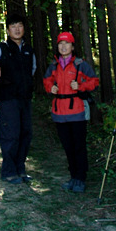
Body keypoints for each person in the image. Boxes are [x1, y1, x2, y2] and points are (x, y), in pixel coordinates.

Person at [0, 12, 36, 184]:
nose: (17, 29)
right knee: (11, 134)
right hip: (8, 99)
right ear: (7, 29)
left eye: (19, 25)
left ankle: (21, 168)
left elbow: (32, 69)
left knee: (25, 134)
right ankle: (9, 171)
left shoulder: (28, 49)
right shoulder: (1, 47)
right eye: (13, 26)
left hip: (25, 98)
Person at [43, 31, 99, 193]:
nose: (63, 46)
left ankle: (80, 178)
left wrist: (80, 87)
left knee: (79, 146)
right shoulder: (53, 66)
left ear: (73, 46)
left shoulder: (81, 65)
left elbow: (94, 81)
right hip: (59, 112)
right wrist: (50, 87)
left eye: (67, 43)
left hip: (77, 111)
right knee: (67, 146)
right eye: (61, 43)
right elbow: (47, 80)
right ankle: (73, 176)